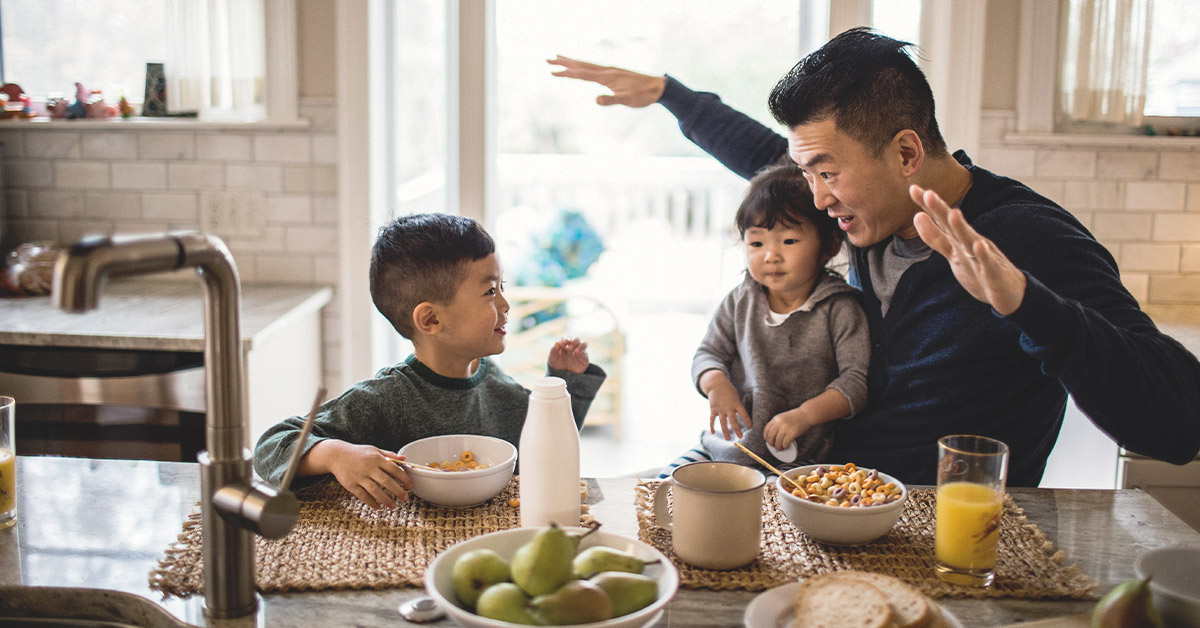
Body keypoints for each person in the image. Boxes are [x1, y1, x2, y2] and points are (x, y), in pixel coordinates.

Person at [549, 28, 1200, 487]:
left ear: (907, 153)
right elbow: (764, 157)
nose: (816, 197)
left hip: (925, 537)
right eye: (808, 173)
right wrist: (672, 94)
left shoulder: (1029, 239)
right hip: (800, 491)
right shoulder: (866, 204)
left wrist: (1027, 303)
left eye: (826, 172)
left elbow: (1177, 424)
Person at [253, 213, 606, 508]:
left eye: (501, 288)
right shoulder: (388, 399)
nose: (505, 305)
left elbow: (546, 446)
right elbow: (272, 445)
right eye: (489, 291)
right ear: (431, 320)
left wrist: (563, 381)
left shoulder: (493, 381)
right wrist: (335, 454)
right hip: (403, 547)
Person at [660, 164, 870, 479]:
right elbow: (707, 354)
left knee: (774, 512)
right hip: (724, 447)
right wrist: (717, 386)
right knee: (667, 483)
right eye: (757, 244)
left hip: (797, 460)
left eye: (788, 241)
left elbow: (855, 383)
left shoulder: (840, 307)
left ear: (828, 245)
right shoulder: (740, 299)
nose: (770, 255)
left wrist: (804, 416)